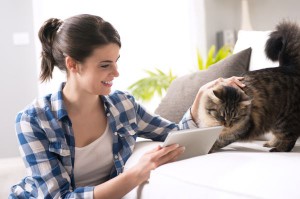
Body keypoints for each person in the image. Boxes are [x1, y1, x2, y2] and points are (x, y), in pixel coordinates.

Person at [10, 14, 245, 199]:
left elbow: (179, 137)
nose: (116, 73)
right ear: (73, 64)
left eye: (116, 62)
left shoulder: (123, 105)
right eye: (104, 65)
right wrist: (135, 174)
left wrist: (200, 97)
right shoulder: (33, 120)